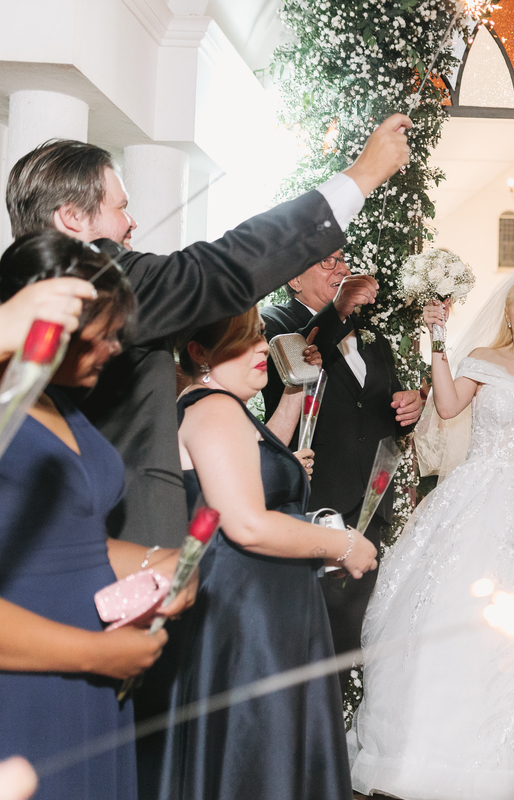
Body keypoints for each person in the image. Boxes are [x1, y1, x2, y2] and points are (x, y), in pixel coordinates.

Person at [4, 114, 415, 549]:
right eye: (120, 207)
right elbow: (218, 269)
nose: (132, 222)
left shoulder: (29, 286)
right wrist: (361, 176)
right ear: (71, 217)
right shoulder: (92, 281)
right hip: (116, 547)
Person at [348, 272, 514, 800]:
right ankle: (434, 747)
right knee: (460, 612)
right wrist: (438, 341)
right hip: (478, 495)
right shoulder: (482, 360)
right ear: (508, 313)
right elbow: (448, 407)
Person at [141, 308, 377, 800]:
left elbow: (252, 468)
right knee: (260, 758)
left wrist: (292, 392)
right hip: (250, 615)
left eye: (261, 336)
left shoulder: (213, 406)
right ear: (199, 352)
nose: (261, 348)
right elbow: (247, 525)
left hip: (253, 603)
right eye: (244, 340)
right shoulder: (215, 409)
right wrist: (343, 544)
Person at [0, 231, 186, 800]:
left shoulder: (56, 400)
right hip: (27, 680)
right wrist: (96, 653)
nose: (113, 348)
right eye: (101, 335)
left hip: (94, 675)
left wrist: (161, 563)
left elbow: (74, 542)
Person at [260, 248, 420, 688]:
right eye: (326, 261)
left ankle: (340, 721)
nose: (342, 268)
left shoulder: (372, 338)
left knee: (351, 638)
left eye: (343, 259)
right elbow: (294, 359)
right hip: (316, 502)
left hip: (370, 502)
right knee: (310, 640)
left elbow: (379, 411)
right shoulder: (275, 323)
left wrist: (410, 407)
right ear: (294, 278)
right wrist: (337, 310)